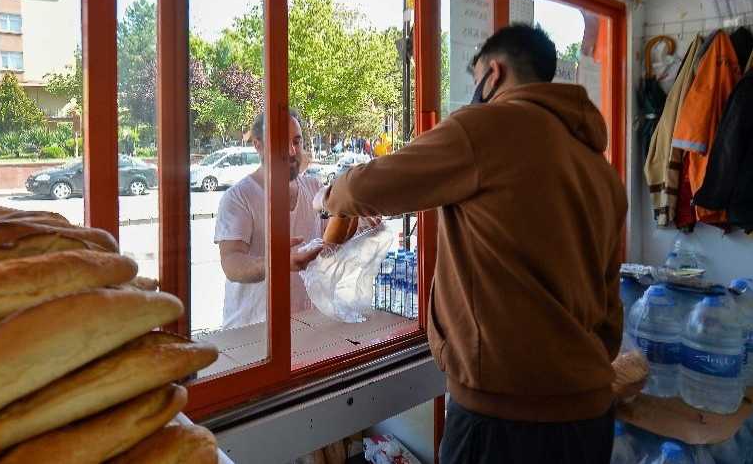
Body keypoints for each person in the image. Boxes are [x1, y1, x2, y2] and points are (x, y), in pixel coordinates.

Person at [316, 24, 627, 464]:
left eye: (476, 75)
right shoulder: (598, 167)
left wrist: (327, 194)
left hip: (504, 420)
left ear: (494, 73)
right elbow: (610, 306)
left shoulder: (488, 127)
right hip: (589, 412)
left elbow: (368, 187)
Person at [214, 109, 325, 329]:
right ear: (258, 145)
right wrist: (276, 264)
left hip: (304, 327)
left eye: (297, 141)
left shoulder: (314, 189)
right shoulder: (238, 198)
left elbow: (332, 241)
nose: (292, 152)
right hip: (252, 333)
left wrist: (360, 220)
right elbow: (231, 263)